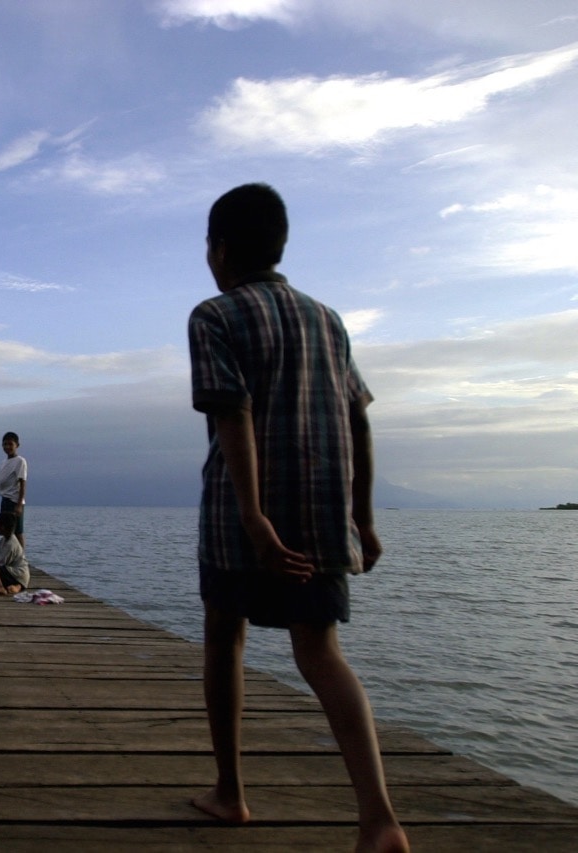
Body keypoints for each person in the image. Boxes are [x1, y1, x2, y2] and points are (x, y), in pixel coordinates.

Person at [186, 183, 408, 853]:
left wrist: (253, 516)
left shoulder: (214, 315)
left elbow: (233, 411)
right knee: (320, 652)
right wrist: (362, 519)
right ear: (279, 245)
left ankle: (231, 793)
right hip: (321, 514)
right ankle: (379, 819)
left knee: (225, 638)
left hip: (237, 518)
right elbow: (357, 418)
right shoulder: (327, 319)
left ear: (219, 250)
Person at [0, 431, 27, 548]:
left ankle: (21, 558)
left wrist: (19, 505)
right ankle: (9, 555)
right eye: (5, 444)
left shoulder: (20, 461)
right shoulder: (4, 462)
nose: (7, 447)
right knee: (6, 530)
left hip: (14, 501)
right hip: (5, 498)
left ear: (17, 445)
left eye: (10, 444)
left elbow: (23, 483)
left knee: (17, 531)